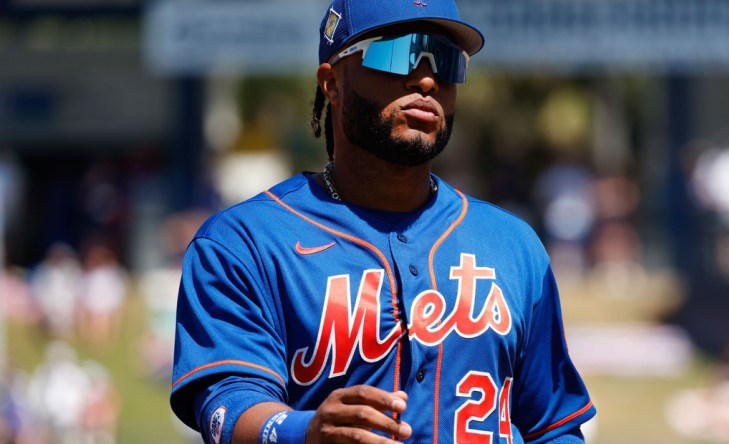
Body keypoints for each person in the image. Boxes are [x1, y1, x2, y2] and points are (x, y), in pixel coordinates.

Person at [170, 1, 596, 443]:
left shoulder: (512, 244)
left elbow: (553, 426)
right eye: (396, 53)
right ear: (331, 83)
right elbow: (227, 404)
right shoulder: (244, 242)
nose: (427, 79)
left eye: (447, 60)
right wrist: (304, 431)